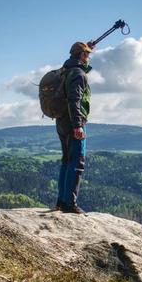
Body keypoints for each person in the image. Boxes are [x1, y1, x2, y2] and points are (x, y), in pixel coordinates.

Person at [55, 41, 93, 214]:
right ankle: (70, 203)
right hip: (73, 123)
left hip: (61, 121)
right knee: (77, 161)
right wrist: (78, 125)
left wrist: (86, 46)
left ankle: (62, 202)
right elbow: (74, 100)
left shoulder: (66, 70)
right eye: (87, 54)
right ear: (81, 55)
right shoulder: (78, 74)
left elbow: (75, 57)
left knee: (66, 160)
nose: (89, 58)